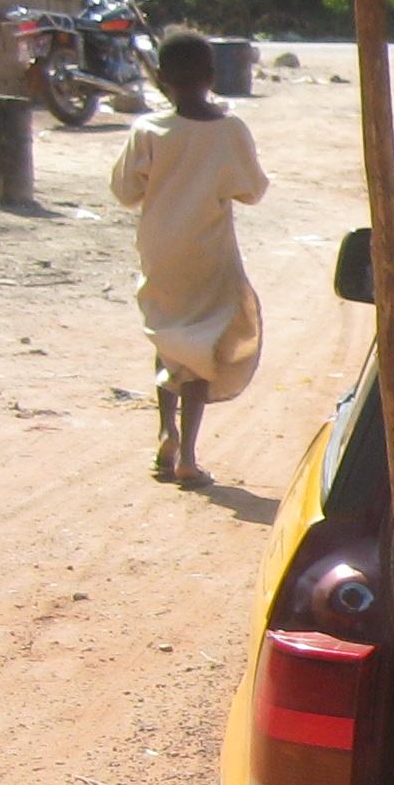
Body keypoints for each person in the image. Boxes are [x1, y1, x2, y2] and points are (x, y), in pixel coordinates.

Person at [108, 27, 267, 486]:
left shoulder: (149, 130)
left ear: (160, 78)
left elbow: (124, 191)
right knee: (200, 345)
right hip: (209, 252)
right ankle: (189, 457)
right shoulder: (231, 129)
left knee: (171, 336)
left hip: (160, 250)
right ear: (213, 74)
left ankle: (165, 432)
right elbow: (252, 190)